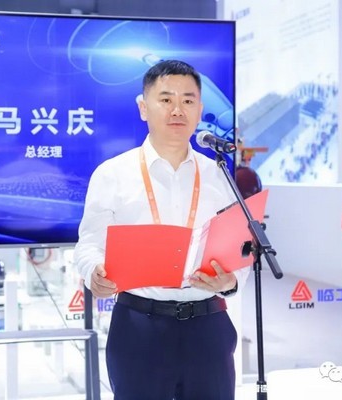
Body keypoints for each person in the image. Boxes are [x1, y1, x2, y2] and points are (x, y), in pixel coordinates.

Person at [74, 60, 249, 400]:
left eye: (188, 100)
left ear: (199, 110)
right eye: (166, 99)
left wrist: (230, 282)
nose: (177, 110)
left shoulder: (219, 175)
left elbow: (241, 248)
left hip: (208, 326)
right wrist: (94, 271)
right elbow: (89, 244)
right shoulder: (112, 174)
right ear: (144, 108)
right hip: (140, 326)